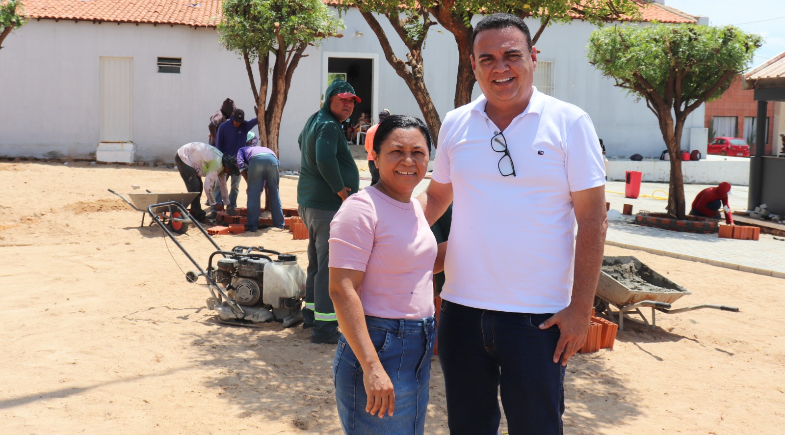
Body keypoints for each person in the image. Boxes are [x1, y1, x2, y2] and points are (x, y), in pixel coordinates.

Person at [418, 14, 607, 434]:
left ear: (533, 58)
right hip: (461, 313)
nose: (499, 68)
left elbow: (593, 221)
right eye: (487, 59)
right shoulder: (456, 124)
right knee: (468, 427)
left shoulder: (570, 123)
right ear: (473, 65)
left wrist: (580, 309)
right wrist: (388, 231)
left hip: (538, 319)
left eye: (511, 55)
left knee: (536, 427)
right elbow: (435, 197)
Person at [329, 115, 443, 435]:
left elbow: (413, 266)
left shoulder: (413, 209)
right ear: (375, 158)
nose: (408, 160)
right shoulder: (361, 209)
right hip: (381, 346)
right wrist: (372, 366)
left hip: (417, 348)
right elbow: (341, 289)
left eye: (418, 152)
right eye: (396, 151)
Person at [297, 79, 361, 344]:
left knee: (316, 262)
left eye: (351, 102)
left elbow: (302, 142)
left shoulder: (316, 119)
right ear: (330, 99)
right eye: (343, 100)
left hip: (310, 203)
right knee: (327, 268)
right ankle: (324, 328)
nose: (348, 105)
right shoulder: (328, 125)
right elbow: (324, 158)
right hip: (326, 206)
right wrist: (342, 191)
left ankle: (311, 315)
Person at [174, 142, 239, 222]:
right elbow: (207, 186)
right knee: (195, 186)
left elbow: (223, 185)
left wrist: (227, 204)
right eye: (230, 171)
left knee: (198, 187)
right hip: (183, 156)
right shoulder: (216, 165)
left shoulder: (223, 165)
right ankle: (199, 216)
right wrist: (214, 204)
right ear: (227, 166)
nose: (230, 173)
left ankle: (194, 212)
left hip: (192, 156)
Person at [237, 134, 284, 232]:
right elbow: (267, 172)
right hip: (273, 160)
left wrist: (250, 184)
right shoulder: (263, 148)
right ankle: (279, 224)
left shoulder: (242, 149)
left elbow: (240, 165)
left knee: (253, 195)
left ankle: (252, 226)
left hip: (256, 160)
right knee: (274, 192)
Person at [214, 108, 259, 208]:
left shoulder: (244, 127)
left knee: (235, 186)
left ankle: (232, 205)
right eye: (236, 121)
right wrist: (220, 160)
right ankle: (216, 206)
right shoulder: (223, 127)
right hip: (224, 161)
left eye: (240, 122)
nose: (238, 124)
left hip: (238, 162)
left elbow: (255, 121)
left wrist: (262, 113)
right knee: (219, 184)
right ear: (231, 118)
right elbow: (218, 145)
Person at [363, 109, 391, 186]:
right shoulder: (389, 130)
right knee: (384, 184)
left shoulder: (371, 129)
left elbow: (367, 147)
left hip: (372, 159)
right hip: (384, 160)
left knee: (374, 181)